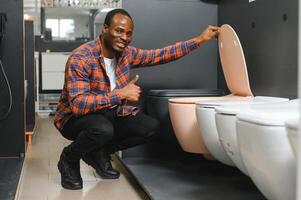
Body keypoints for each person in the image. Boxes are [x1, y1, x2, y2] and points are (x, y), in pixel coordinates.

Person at [54, 8, 220, 190]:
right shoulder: (82, 58)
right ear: (105, 29)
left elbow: (160, 55)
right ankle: (69, 158)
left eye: (128, 33)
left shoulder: (127, 54)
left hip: (108, 114)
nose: (124, 37)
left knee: (150, 128)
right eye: (119, 31)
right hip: (74, 119)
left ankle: (99, 152)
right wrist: (121, 94)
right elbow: (78, 104)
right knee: (102, 129)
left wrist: (200, 39)